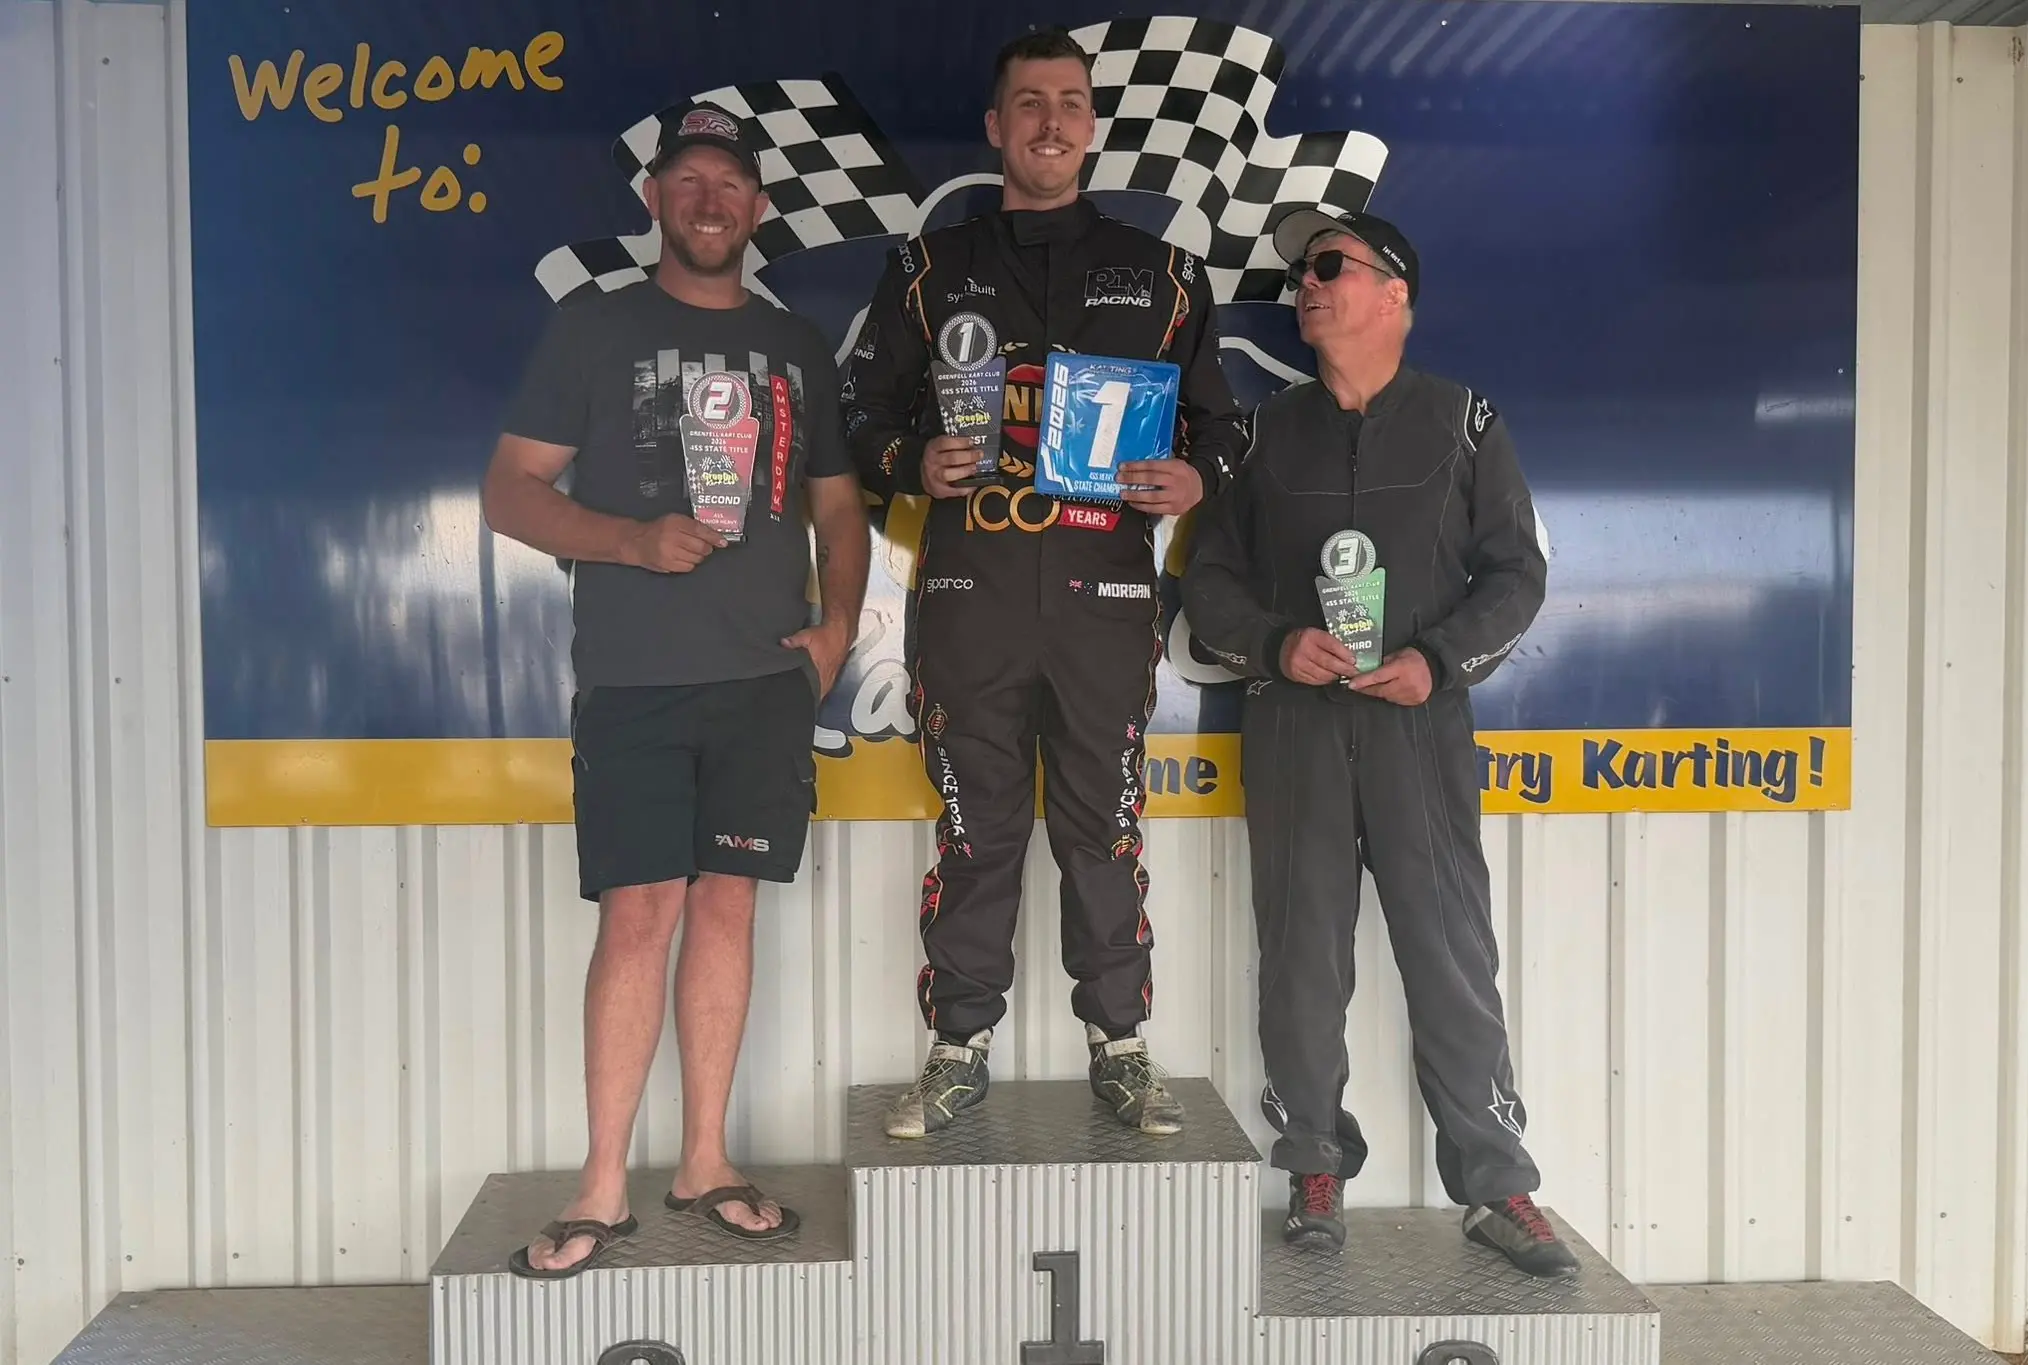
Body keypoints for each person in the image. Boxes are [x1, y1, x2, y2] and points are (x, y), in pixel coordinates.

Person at [481, 101, 871, 1278]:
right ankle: (601, 1184)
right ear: (654, 201)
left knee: (727, 908)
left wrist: (836, 630)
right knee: (639, 915)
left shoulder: (795, 343)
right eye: (688, 182)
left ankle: (705, 1160)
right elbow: (510, 491)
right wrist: (628, 540)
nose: (709, 201)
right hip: (636, 677)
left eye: (729, 184)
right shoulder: (594, 329)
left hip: (762, 681)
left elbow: (838, 505)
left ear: (758, 207)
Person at [840, 27, 1248, 1140]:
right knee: (974, 834)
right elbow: (859, 415)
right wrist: (908, 462)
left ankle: (1120, 1047)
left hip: (1104, 605)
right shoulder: (926, 271)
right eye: (1028, 103)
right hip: (967, 601)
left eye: (1069, 102)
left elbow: (1222, 430)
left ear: (1093, 126)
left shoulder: (1166, 276)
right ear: (995, 126)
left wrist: (1190, 477)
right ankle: (956, 1049)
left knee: (1102, 829)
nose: (1050, 122)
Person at [1178, 205, 1576, 1277]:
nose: (1305, 285)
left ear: (1395, 294)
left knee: (1451, 956)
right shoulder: (1263, 434)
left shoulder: (1463, 421)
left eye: (1328, 265)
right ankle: (1314, 1166)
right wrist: (1273, 644)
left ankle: (1496, 1186)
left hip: (1418, 731)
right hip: (1295, 731)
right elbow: (1208, 580)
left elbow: (1516, 573)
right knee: (1301, 960)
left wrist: (1439, 661)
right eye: (1299, 274)